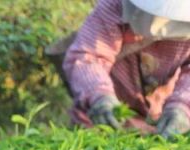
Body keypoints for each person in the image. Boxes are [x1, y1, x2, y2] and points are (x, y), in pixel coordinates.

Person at [63, 0, 190, 137]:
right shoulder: (114, 6)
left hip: (158, 115)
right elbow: (88, 56)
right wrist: (99, 95)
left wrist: (182, 105)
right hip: (103, 112)